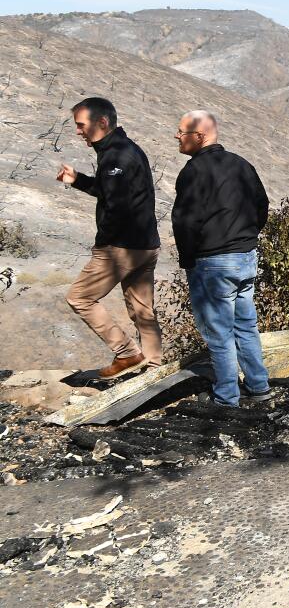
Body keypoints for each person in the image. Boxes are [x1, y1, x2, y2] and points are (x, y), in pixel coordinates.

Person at [171, 110, 272, 407]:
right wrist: (248, 238)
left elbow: (184, 221)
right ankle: (259, 387)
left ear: (198, 136)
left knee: (218, 333)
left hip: (212, 262)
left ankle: (227, 396)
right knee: (245, 326)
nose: (177, 137)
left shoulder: (193, 172)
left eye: (181, 132)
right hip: (245, 257)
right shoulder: (241, 164)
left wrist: (188, 258)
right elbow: (261, 206)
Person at [57, 97, 163, 379]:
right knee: (142, 310)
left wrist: (102, 243)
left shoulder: (117, 156)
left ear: (102, 123)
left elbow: (117, 207)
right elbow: (110, 192)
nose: (78, 131)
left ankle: (127, 353)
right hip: (146, 245)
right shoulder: (123, 150)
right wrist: (78, 179)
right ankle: (153, 368)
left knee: (80, 298)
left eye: (81, 126)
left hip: (121, 248)